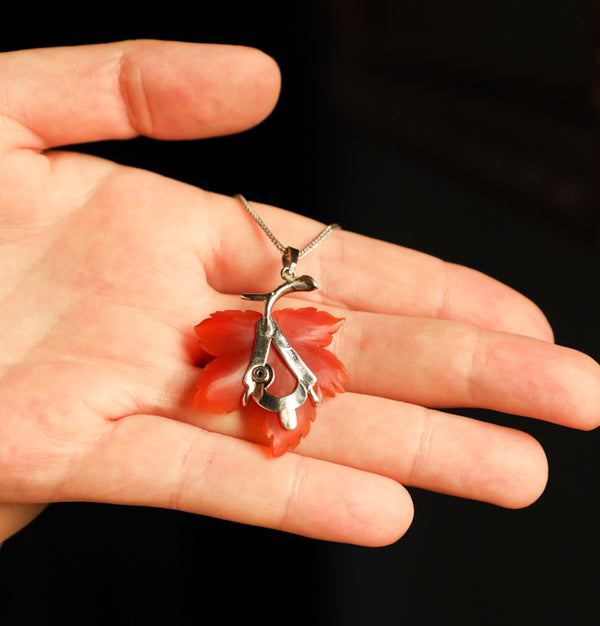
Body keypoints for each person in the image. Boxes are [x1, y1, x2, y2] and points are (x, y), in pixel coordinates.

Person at [1, 38, 598, 547]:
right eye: (285, 404)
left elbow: (287, 375)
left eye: (286, 404)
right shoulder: (278, 377)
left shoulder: (293, 380)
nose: (285, 407)